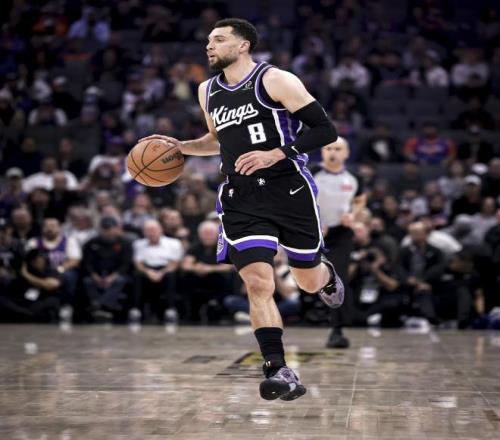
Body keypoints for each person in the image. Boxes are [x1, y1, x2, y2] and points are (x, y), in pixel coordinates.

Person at [140, 18, 341, 401]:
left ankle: (327, 276)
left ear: (243, 44)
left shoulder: (276, 80)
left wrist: (276, 153)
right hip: (241, 195)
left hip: (288, 188)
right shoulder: (207, 90)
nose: (209, 46)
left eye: (218, 40)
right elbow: (217, 140)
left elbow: (324, 130)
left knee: (307, 281)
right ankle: (278, 368)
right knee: (258, 283)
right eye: (208, 40)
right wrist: (180, 147)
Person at [313, 137, 366, 348]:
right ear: (322, 152)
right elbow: (296, 198)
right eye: (328, 148)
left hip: (341, 234)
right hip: (313, 232)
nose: (333, 152)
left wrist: (353, 214)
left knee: (338, 278)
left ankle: (337, 329)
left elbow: (360, 199)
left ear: (346, 153)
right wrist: (316, 221)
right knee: (308, 276)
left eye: (337, 148)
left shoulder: (354, 178)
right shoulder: (311, 173)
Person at [132, 219, 183, 323]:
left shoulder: (174, 243)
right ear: (144, 232)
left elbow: (174, 264)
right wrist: (148, 272)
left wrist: (161, 273)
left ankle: (170, 310)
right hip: (147, 270)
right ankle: (136, 310)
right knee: (137, 275)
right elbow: (138, 264)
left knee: (171, 276)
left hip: (166, 269)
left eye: (153, 230)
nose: (151, 233)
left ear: (161, 230)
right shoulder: (138, 244)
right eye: (148, 230)